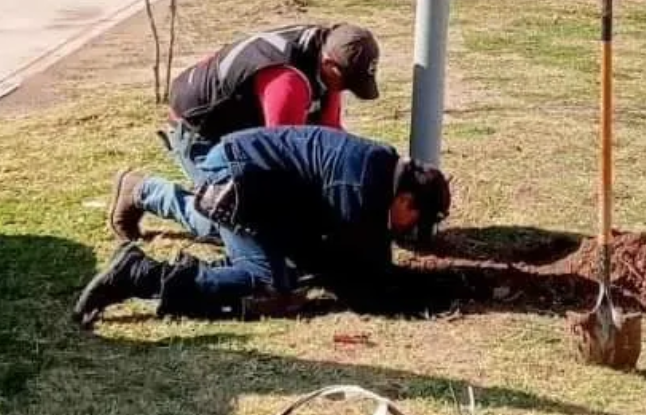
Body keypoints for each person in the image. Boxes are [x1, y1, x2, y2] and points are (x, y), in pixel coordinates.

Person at [75, 126, 451, 328]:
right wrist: (425, 299)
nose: (410, 231)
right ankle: (139, 275)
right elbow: (361, 285)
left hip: (256, 181)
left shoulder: (378, 166)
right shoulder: (361, 191)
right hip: (240, 183)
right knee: (267, 283)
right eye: (417, 222)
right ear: (405, 200)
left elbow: (336, 257)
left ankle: (144, 190)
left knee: (255, 251)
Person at [108, 23, 381, 244]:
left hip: (243, 129)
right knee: (233, 222)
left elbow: (328, 134)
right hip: (201, 134)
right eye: (348, 82)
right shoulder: (287, 82)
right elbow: (284, 160)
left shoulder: (323, 50)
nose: (345, 90)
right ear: (331, 65)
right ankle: (144, 191)